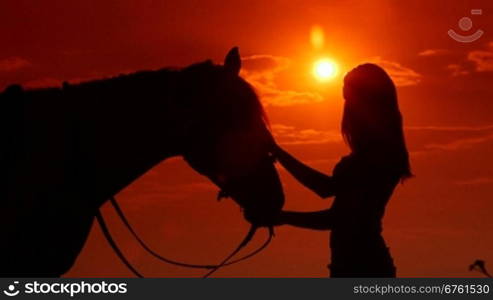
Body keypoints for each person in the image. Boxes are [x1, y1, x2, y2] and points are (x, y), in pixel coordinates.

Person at [270, 63, 412, 277]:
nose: (347, 107)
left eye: (351, 98)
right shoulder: (379, 153)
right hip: (353, 266)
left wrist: (282, 217)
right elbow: (328, 191)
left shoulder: (377, 156)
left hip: (362, 268)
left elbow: (335, 212)